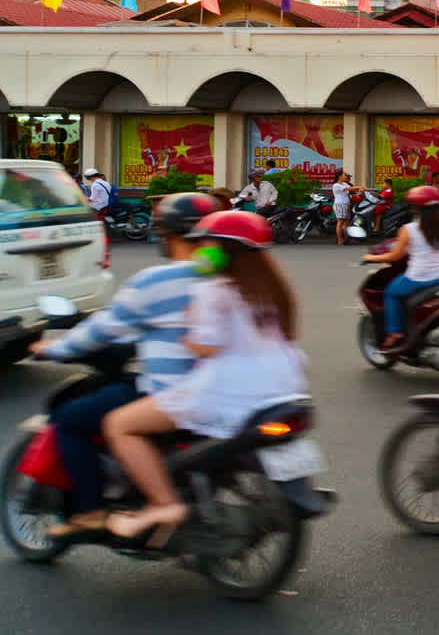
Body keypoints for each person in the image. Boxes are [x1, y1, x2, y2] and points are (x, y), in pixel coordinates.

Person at [101, 210, 307, 542]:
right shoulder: (275, 288)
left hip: (226, 392)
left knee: (119, 424)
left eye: (207, 243)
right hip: (285, 388)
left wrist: (185, 335)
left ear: (222, 248)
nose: (201, 251)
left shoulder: (216, 289)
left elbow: (204, 347)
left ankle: (163, 503)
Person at [30, 192, 216, 538]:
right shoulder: (227, 276)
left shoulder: (156, 281)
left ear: (166, 233)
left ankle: (90, 510)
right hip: (227, 391)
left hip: (171, 393)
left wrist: (54, 349)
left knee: (71, 419)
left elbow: (102, 329)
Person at [363, 185, 439, 349]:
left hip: (419, 278)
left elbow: (395, 256)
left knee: (391, 292)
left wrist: (371, 257)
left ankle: (395, 332)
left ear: (416, 208)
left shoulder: (409, 229)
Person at [330, 169, 355, 245]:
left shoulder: (344, 184)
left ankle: (347, 239)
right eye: (344, 175)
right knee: (340, 222)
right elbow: (349, 189)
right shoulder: (336, 185)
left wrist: (360, 189)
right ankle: (340, 240)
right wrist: (360, 187)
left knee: (347, 223)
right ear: (339, 176)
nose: (346, 176)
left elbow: (352, 189)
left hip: (347, 204)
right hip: (340, 204)